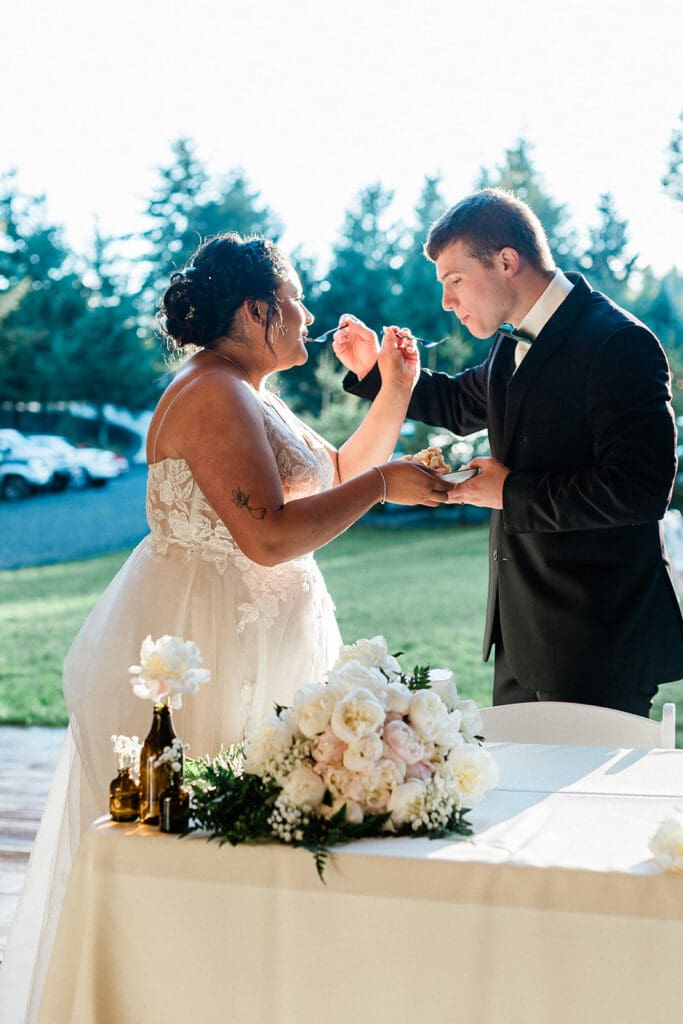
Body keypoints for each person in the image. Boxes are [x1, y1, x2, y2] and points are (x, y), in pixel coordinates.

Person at [0, 233, 452, 1023]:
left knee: (261, 851)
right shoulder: (212, 393)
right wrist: (384, 484)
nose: (310, 316)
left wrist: (395, 390)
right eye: (298, 300)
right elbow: (269, 534)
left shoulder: (247, 388)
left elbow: (334, 476)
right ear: (258, 310)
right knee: (207, 854)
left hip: (261, 639)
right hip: (206, 647)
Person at [337, 187, 683, 715]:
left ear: (506, 262)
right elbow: (455, 402)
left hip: (599, 641)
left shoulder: (620, 344)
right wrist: (376, 370)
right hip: (520, 639)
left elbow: (640, 490)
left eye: (455, 282)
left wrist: (509, 492)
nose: (447, 303)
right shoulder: (508, 344)